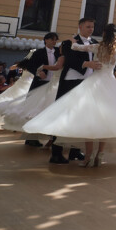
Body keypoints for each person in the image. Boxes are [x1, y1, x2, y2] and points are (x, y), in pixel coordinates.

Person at [24, 25, 116, 167]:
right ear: (115, 36)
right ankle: (100, 155)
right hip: (110, 85)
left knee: (89, 117)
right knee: (106, 120)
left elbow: (77, 47)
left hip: (95, 83)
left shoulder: (96, 47)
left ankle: (88, 157)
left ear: (103, 33)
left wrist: (71, 40)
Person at [48, 17, 98, 164]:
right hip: (70, 82)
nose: (91, 29)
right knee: (62, 116)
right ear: (80, 27)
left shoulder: (94, 43)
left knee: (81, 117)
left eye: (92, 27)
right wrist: (86, 63)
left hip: (87, 84)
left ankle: (75, 151)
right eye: (88, 27)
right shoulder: (69, 42)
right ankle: (56, 153)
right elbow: (68, 59)